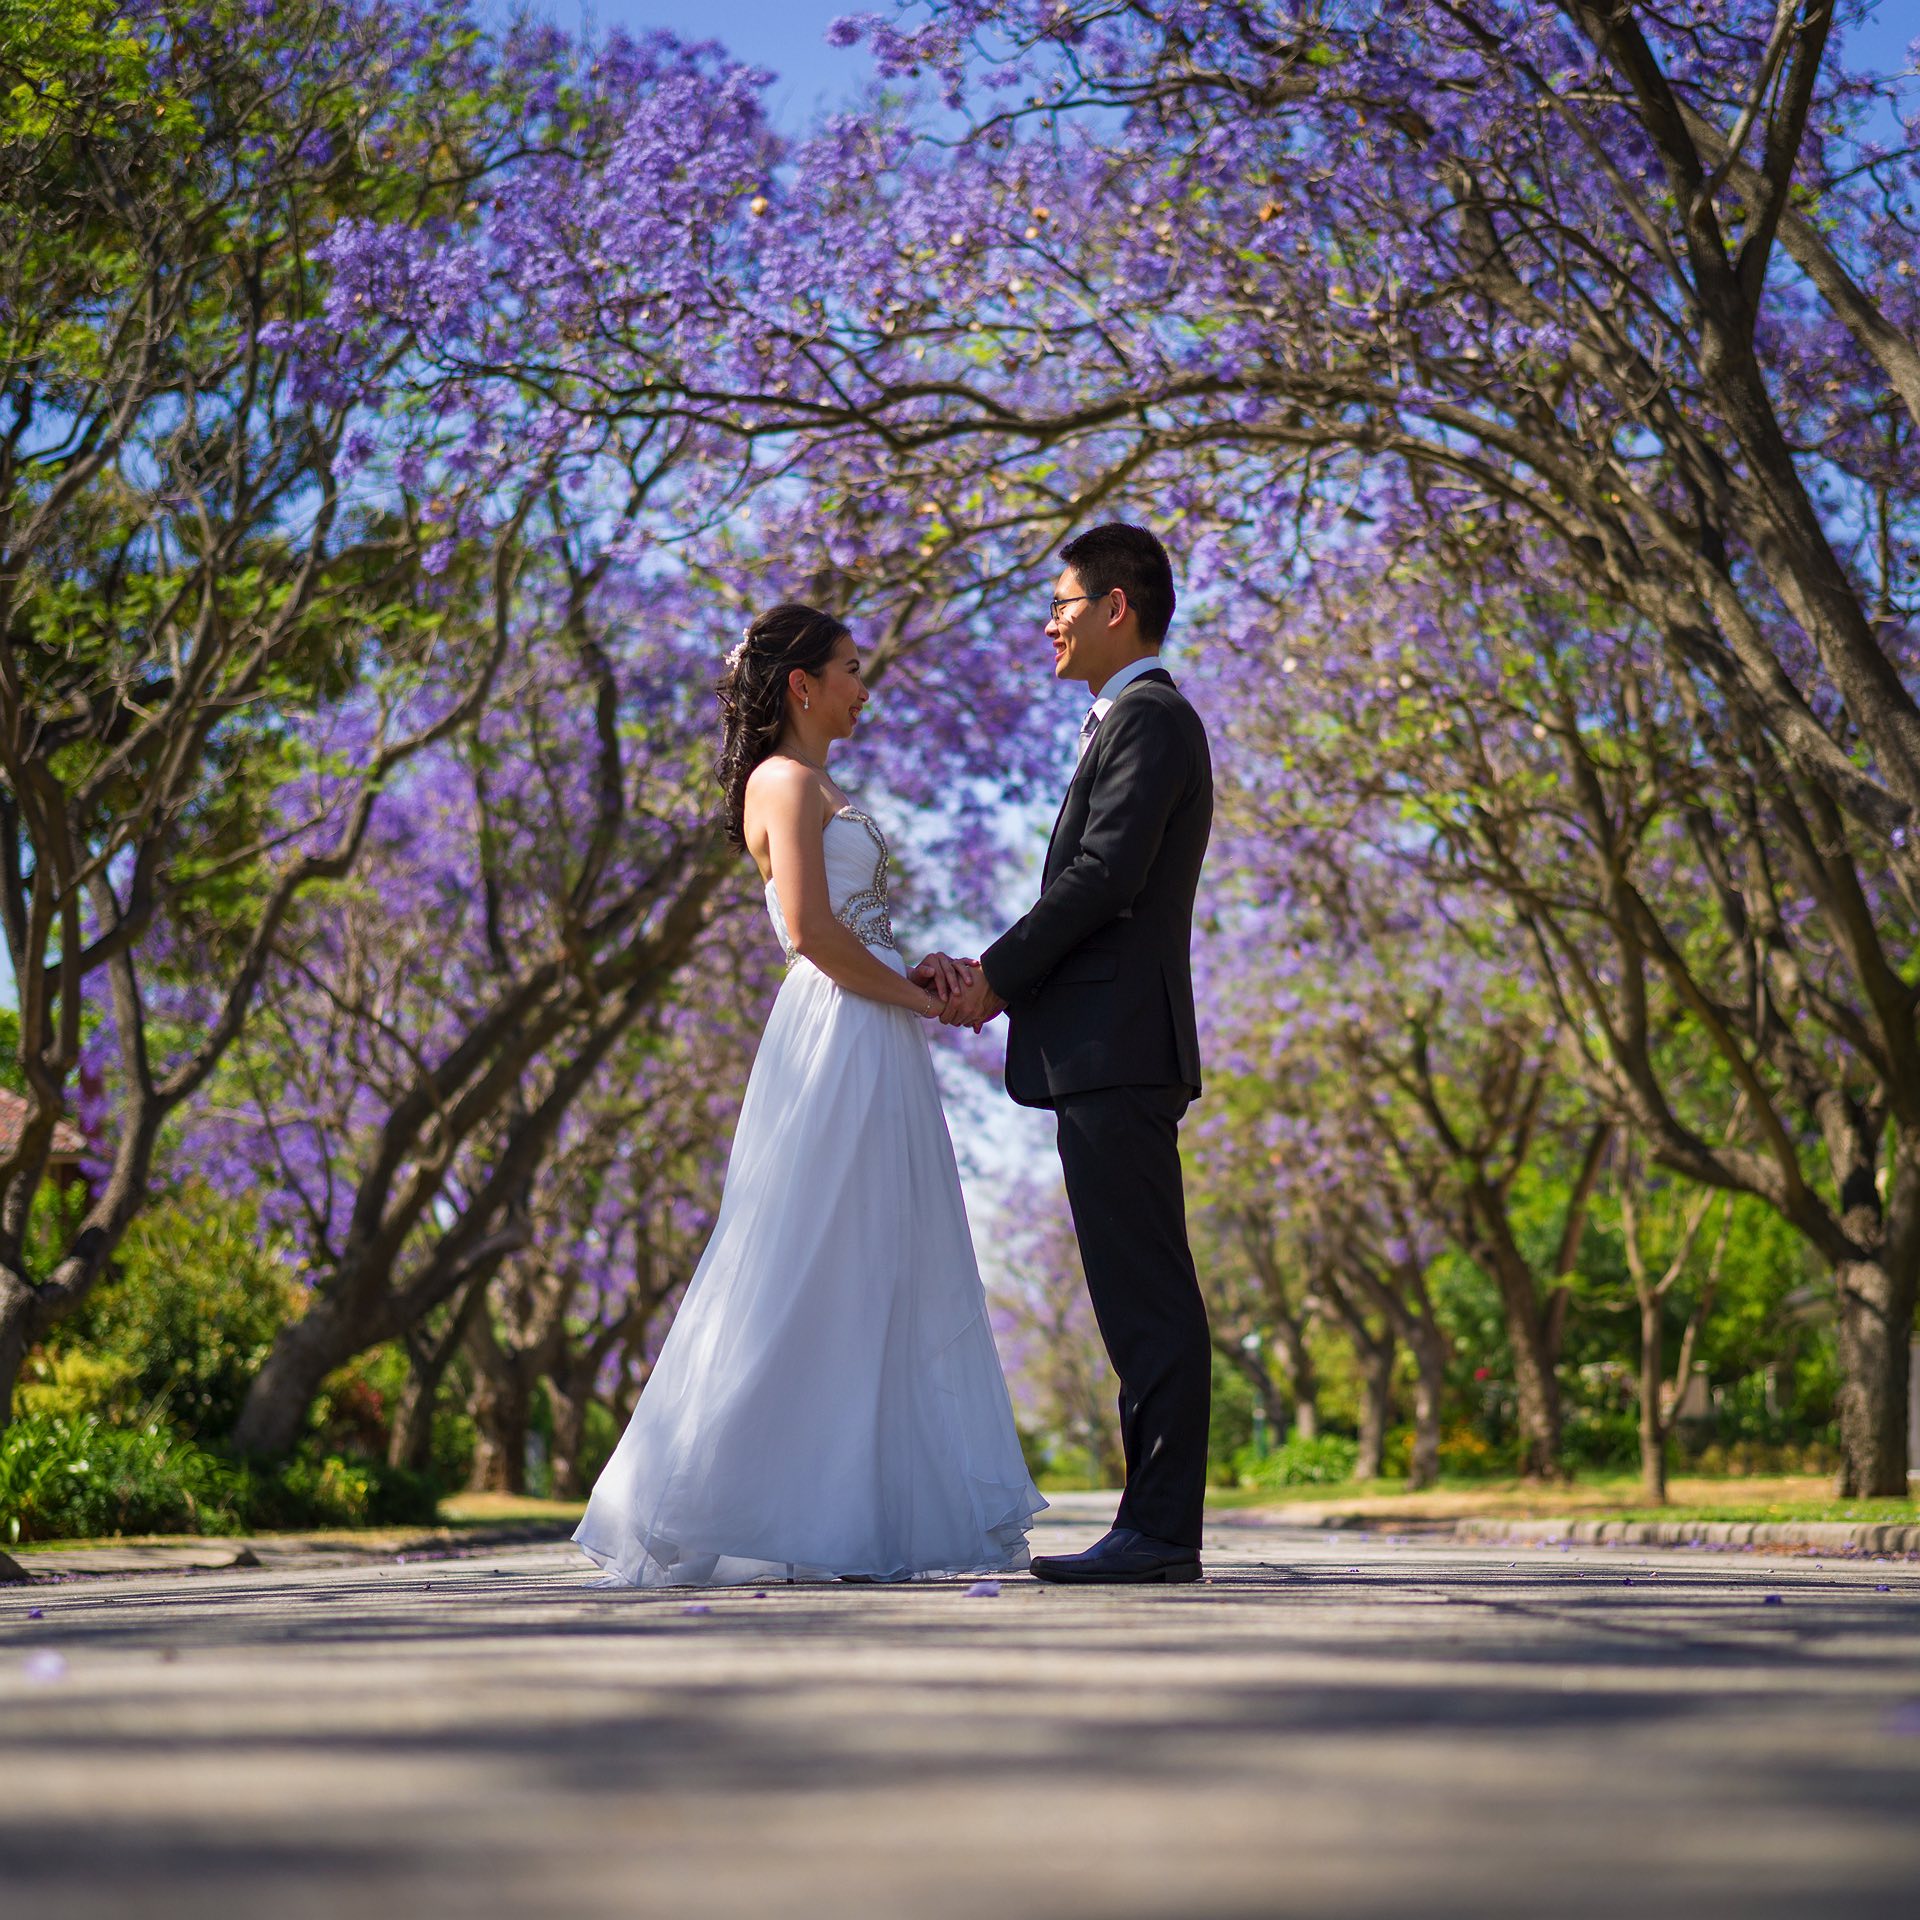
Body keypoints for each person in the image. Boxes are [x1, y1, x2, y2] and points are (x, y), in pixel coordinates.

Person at [572, 602, 1044, 1587]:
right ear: (802, 683)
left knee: (874, 1264)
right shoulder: (782, 782)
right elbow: (808, 935)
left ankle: (857, 1516)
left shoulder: (819, 784)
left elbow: (856, 931)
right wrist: (919, 1001)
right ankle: (698, 1494)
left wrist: (914, 970)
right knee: (801, 1258)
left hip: (871, 1032)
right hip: (834, 1037)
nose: (864, 687)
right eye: (851, 667)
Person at [938, 523, 1214, 1584]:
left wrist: (995, 978)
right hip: (1105, 1049)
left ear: (1115, 608)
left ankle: (1158, 1531)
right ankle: (1155, 1523)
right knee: (1132, 1287)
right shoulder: (1125, 721)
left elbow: (1103, 877)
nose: (1045, 623)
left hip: (1120, 1047)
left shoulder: (1150, 718)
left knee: (1144, 1288)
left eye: (1060, 602)